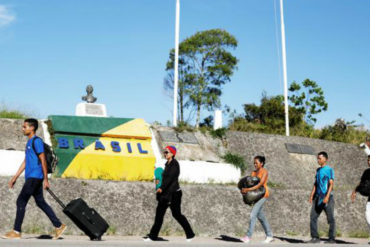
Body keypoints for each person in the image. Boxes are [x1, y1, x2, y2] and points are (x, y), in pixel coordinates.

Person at [2, 118, 66, 240]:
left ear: (32, 128)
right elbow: (26, 161)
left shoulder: (36, 141)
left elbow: (43, 160)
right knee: (40, 202)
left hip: (35, 177)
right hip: (32, 177)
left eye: (24, 127)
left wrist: (46, 179)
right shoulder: (29, 142)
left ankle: (16, 231)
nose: (23, 128)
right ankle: (59, 225)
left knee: (21, 201)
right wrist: (15, 177)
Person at [144, 146, 195, 242]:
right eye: (164, 152)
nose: (165, 154)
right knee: (159, 214)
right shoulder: (167, 164)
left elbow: (170, 179)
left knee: (177, 214)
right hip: (166, 194)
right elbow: (163, 178)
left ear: (172, 153)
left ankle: (190, 234)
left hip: (174, 194)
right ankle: (152, 236)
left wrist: (161, 188)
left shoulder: (175, 165)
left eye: (167, 152)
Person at [240, 156, 273, 244]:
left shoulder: (264, 172)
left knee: (252, 214)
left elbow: (260, 185)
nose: (255, 164)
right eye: (254, 163)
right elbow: (250, 184)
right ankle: (269, 235)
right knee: (261, 217)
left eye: (256, 163)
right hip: (255, 196)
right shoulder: (253, 173)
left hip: (263, 195)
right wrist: (244, 191)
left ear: (261, 163)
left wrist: (247, 190)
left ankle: (248, 236)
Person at [308, 151, 336, 244]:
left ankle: (332, 239)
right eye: (317, 158)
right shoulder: (318, 170)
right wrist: (312, 195)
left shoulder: (329, 170)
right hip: (318, 197)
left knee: (330, 218)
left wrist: (327, 196)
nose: (318, 160)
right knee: (313, 217)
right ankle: (315, 237)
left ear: (325, 159)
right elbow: (316, 183)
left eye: (319, 158)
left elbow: (331, 184)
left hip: (327, 197)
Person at [351, 155, 370, 227]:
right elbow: (362, 182)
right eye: (368, 160)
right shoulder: (367, 172)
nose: (369, 162)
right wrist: (354, 191)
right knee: (367, 214)